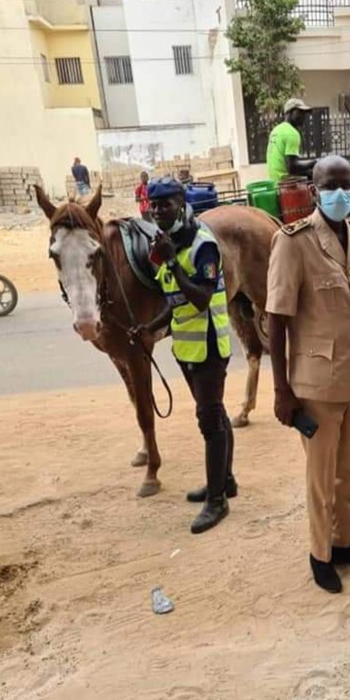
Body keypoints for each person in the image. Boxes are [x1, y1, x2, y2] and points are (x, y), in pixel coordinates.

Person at [266, 155, 350, 594]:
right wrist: (281, 390)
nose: (340, 193)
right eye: (330, 186)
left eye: (346, 185)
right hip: (316, 384)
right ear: (314, 191)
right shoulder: (293, 242)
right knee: (321, 478)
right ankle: (321, 554)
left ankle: (347, 539)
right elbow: (276, 319)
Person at [129, 175, 236, 534]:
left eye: (165, 204)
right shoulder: (167, 242)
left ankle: (217, 501)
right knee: (216, 415)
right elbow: (175, 300)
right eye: (153, 205)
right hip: (186, 347)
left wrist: (173, 262)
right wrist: (150, 328)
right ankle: (226, 480)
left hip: (208, 347)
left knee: (210, 422)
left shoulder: (202, 244)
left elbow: (201, 298)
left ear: (181, 203)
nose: (158, 210)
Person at [266, 98, 317, 183]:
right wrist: (314, 162)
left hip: (274, 182)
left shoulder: (276, 130)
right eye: (300, 112)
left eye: (304, 113)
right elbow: (292, 167)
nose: (303, 116)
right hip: (286, 183)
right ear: (289, 113)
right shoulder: (291, 133)